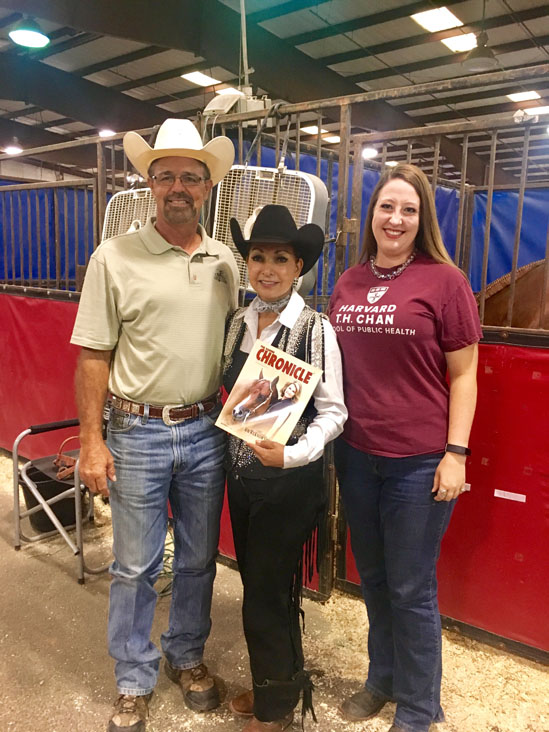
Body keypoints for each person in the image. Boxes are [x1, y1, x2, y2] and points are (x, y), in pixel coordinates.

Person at [70, 118, 240, 732]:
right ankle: (133, 677)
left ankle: (185, 656)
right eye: (164, 174)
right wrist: (92, 441)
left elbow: (242, 340)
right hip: (137, 431)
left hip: (206, 429)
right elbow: (93, 354)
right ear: (148, 185)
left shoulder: (225, 261)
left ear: (205, 188)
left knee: (197, 559)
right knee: (134, 565)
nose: (177, 186)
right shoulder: (112, 258)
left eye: (189, 177)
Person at [328, 164, 482, 732]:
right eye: (387, 207)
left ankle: (420, 705)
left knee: (412, 586)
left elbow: (464, 375)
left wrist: (456, 452)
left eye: (408, 210)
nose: (396, 219)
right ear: (371, 216)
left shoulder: (445, 281)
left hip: (419, 461)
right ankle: (382, 679)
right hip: (356, 453)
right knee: (373, 578)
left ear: (422, 221)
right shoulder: (347, 283)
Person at [223, 204, 347, 732]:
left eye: (280, 258)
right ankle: (281, 685)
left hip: (288, 482)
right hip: (242, 478)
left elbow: (334, 412)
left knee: (266, 594)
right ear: (246, 262)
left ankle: (275, 712)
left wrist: (294, 453)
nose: (267, 268)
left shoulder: (316, 329)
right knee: (260, 586)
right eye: (258, 257)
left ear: (299, 267)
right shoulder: (238, 322)